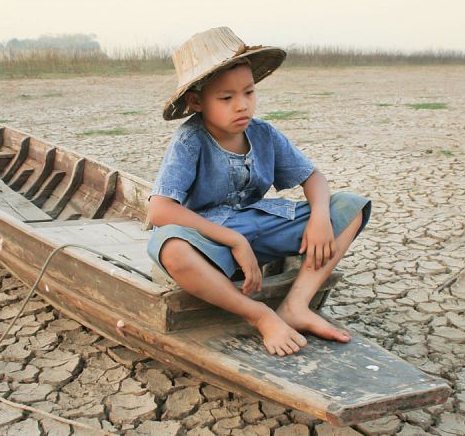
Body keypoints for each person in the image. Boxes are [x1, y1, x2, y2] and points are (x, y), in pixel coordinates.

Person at [147, 27, 371, 356]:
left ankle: (296, 304)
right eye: (226, 98)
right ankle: (260, 315)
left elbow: (313, 178)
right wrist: (233, 240)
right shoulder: (190, 140)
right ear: (197, 101)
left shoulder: (264, 133)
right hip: (211, 240)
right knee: (170, 248)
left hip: (262, 224)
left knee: (350, 207)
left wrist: (320, 218)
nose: (242, 106)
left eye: (248, 93)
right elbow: (159, 210)